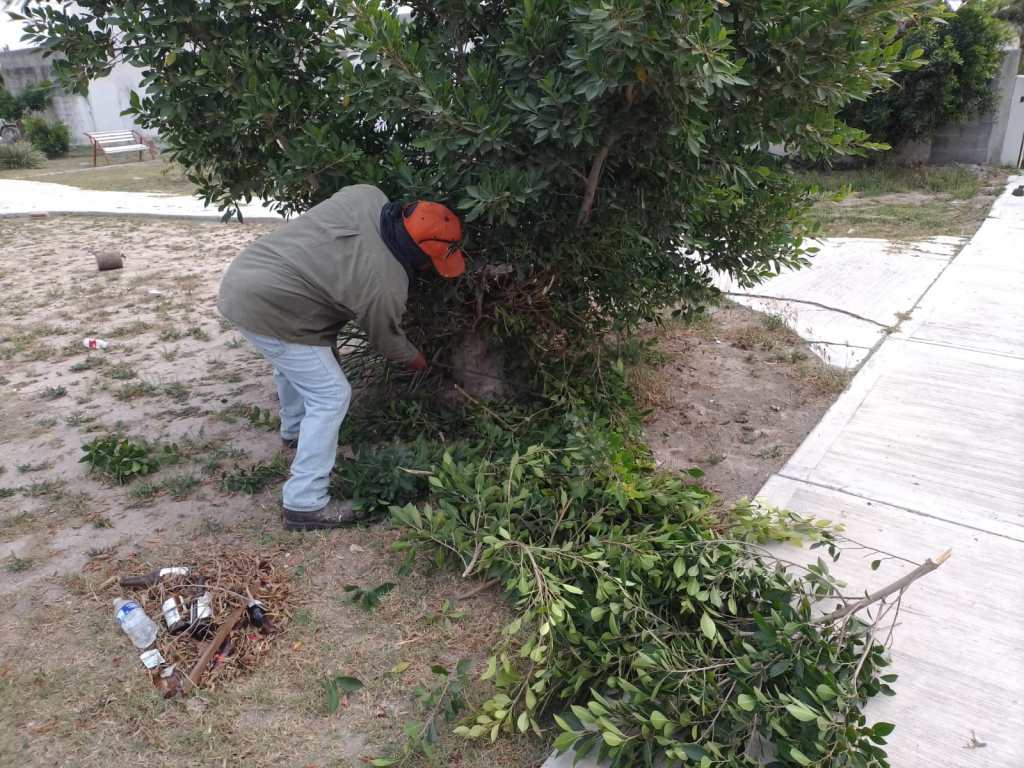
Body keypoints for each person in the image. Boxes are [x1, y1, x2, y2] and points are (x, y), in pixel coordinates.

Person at [217, 184, 465, 530]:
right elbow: (387, 340)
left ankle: (294, 431)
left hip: (245, 276)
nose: (427, 270)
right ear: (416, 254)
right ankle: (304, 502)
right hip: (271, 306)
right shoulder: (385, 283)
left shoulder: (366, 195)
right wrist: (417, 361)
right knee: (331, 394)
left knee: (295, 365)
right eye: (429, 263)